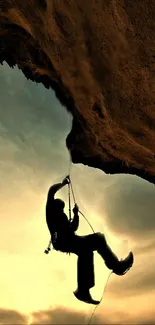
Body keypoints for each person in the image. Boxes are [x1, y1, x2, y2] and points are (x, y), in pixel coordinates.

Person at [46, 176, 134, 305]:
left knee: (89, 249)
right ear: (54, 206)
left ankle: (84, 290)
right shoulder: (50, 212)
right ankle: (116, 268)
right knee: (92, 244)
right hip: (62, 242)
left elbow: (74, 227)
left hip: (72, 240)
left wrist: (76, 214)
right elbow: (51, 191)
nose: (61, 210)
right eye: (59, 207)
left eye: (62, 208)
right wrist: (63, 183)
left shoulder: (62, 216)